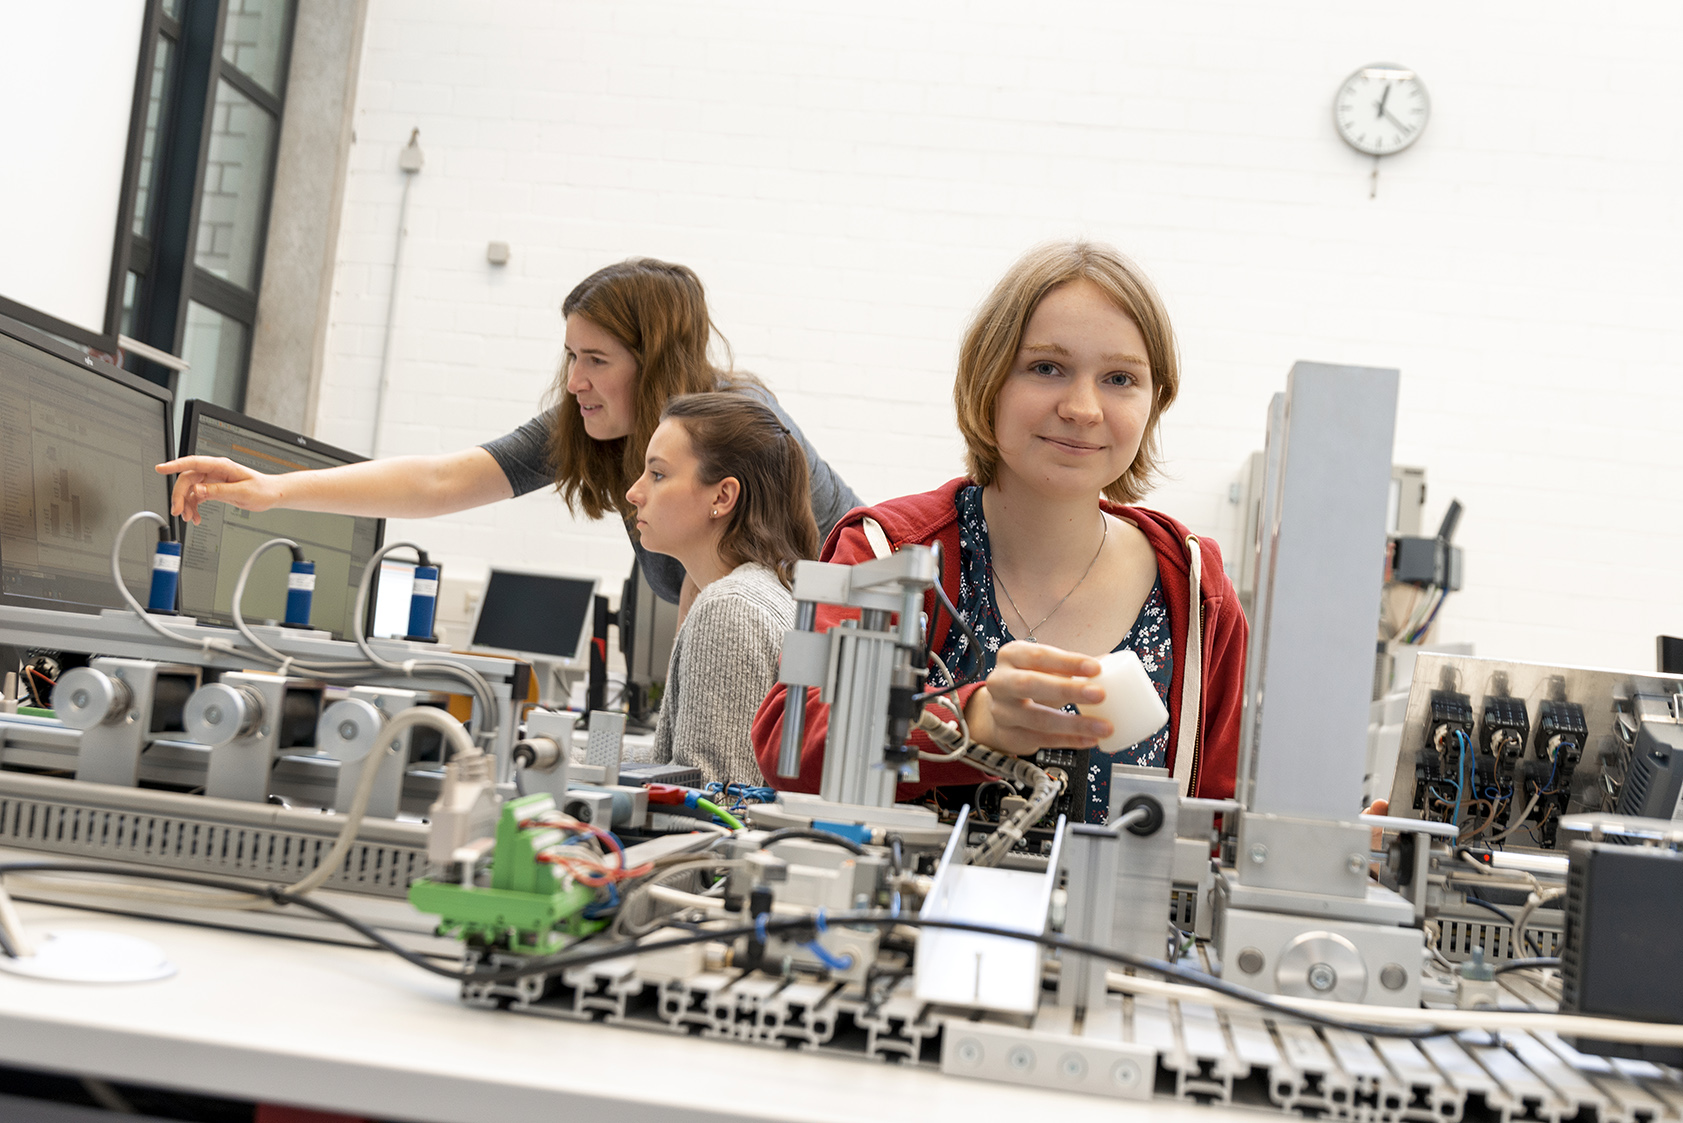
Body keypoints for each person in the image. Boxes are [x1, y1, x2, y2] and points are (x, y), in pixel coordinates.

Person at [751, 240, 1248, 818]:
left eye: (1120, 379)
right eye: (1046, 368)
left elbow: (1218, 814)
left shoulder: (1194, 586)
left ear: (1154, 401)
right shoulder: (888, 551)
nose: (1084, 408)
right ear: (989, 380)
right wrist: (971, 721)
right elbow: (790, 750)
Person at [157, 258, 860, 607]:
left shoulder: (750, 434)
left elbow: (814, 597)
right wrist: (275, 490)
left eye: (595, 360)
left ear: (655, 367)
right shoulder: (600, 433)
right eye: (569, 357)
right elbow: (440, 481)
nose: (575, 381)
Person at [625, 392, 817, 783]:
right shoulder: (760, 592)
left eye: (657, 474)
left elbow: (714, 804)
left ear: (722, 496)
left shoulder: (728, 609)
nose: (634, 492)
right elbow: (680, 765)